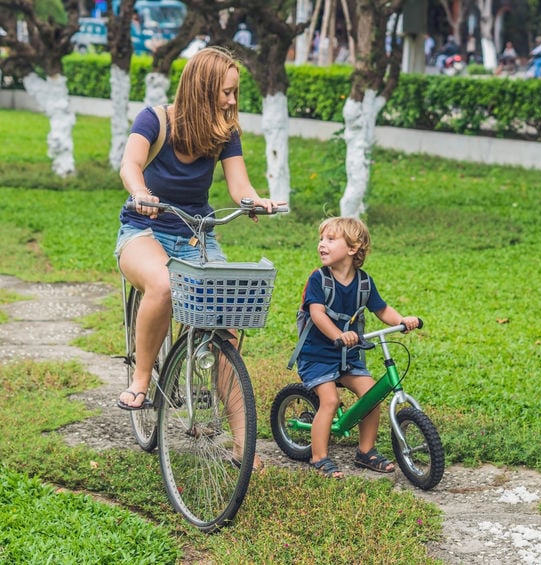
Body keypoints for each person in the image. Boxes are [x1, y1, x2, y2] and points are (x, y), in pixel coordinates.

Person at [115, 47, 286, 444]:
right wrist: (141, 191)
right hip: (144, 230)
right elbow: (130, 164)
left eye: (234, 93)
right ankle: (141, 380)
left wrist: (253, 200)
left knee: (226, 324)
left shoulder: (225, 132)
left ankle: (243, 448)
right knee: (161, 285)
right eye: (225, 92)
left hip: (196, 234)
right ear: (201, 89)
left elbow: (239, 185)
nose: (231, 101)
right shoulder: (154, 120)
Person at [291, 217, 420, 479]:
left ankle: (366, 451)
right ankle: (319, 457)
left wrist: (402, 321)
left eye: (330, 239)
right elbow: (317, 314)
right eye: (321, 239)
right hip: (317, 355)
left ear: (353, 248)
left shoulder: (364, 282)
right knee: (330, 401)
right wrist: (339, 334)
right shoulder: (318, 279)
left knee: (372, 396)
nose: (322, 245)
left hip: (347, 356)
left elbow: (382, 309)